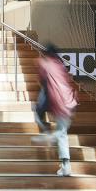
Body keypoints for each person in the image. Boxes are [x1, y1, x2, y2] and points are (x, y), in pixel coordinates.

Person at [36, 44, 79, 176]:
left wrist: (41, 109)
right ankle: (65, 165)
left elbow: (44, 86)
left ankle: (49, 135)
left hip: (58, 103)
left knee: (60, 133)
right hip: (69, 103)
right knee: (62, 133)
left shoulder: (45, 64)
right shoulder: (60, 65)